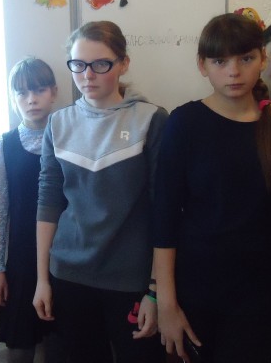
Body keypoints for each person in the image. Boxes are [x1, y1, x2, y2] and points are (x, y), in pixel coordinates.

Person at [153, 13, 271, 363]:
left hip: (259, 298)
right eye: (220, 61)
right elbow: (164, 217)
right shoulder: (185, 122)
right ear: (202, 65)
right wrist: (165, 303)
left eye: (246, 59)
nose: (234, 72)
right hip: (195, 292)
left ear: (262, 59)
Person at [32, 21, 169, 363]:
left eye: (101, 64)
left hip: (131, 280)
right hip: (68, 275)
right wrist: (42, 279)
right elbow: (48, 202)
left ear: (123, 64)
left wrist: (156, 291)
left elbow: (163, 209)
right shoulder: (58, 123)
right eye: (78, 64)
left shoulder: (151, 119)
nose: (88, 75)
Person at [0, 57, 59, 363]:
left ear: (53, 92)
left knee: (62, 343)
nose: (31, 99)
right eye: (22, 93)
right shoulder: (4, 145)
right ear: (12, 98)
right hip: (21, 259)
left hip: (65, 255)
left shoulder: (68, 136)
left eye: (39, 90)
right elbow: (0, 209)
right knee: (20, 345)